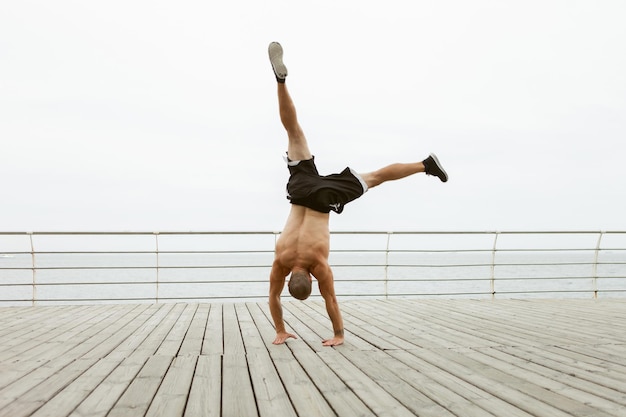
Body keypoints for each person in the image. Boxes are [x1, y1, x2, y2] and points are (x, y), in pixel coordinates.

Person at [267, 42, 448, 347]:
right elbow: (273, 295)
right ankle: (281, 82)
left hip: (324, 198)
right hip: (301, 191)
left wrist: (336, 334)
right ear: (292, 279)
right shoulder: (280, 260)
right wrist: (279, 329)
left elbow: (330, 301)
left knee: (375, 178)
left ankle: (425, 165)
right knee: (294, 132)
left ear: (309, 277)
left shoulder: (316, 263)